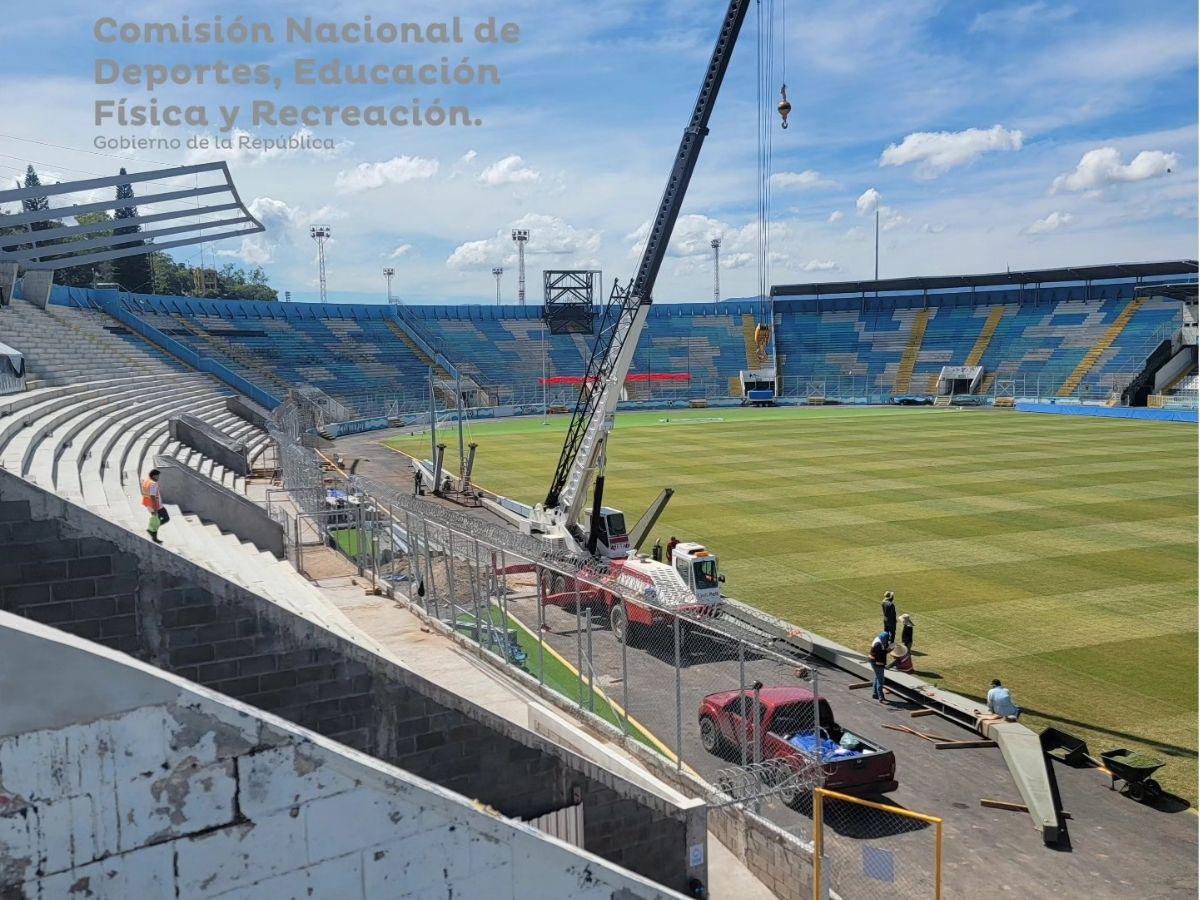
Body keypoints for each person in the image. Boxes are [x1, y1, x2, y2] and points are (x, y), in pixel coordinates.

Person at [141, 468, 166, 544]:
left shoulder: (146, 481)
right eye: (157, 476)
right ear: (154, 476)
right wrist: (155, 508)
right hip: (153, 505)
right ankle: (153, 534)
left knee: (157, 519)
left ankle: (151, 529)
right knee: (161, 519)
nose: (158, 477)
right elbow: (152, 496)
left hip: (147, 503)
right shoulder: (153, 484)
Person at [869, 631, 890, 703]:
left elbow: (880, 652)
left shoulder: (878, 639)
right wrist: (887, 650)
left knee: (876, 677)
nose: (887, 640)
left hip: (874, 662)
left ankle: (875, 694)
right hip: (877, 663)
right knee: (880, 680)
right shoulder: (878, 644)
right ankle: (881, 698)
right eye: (887, 639)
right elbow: (879, 656)